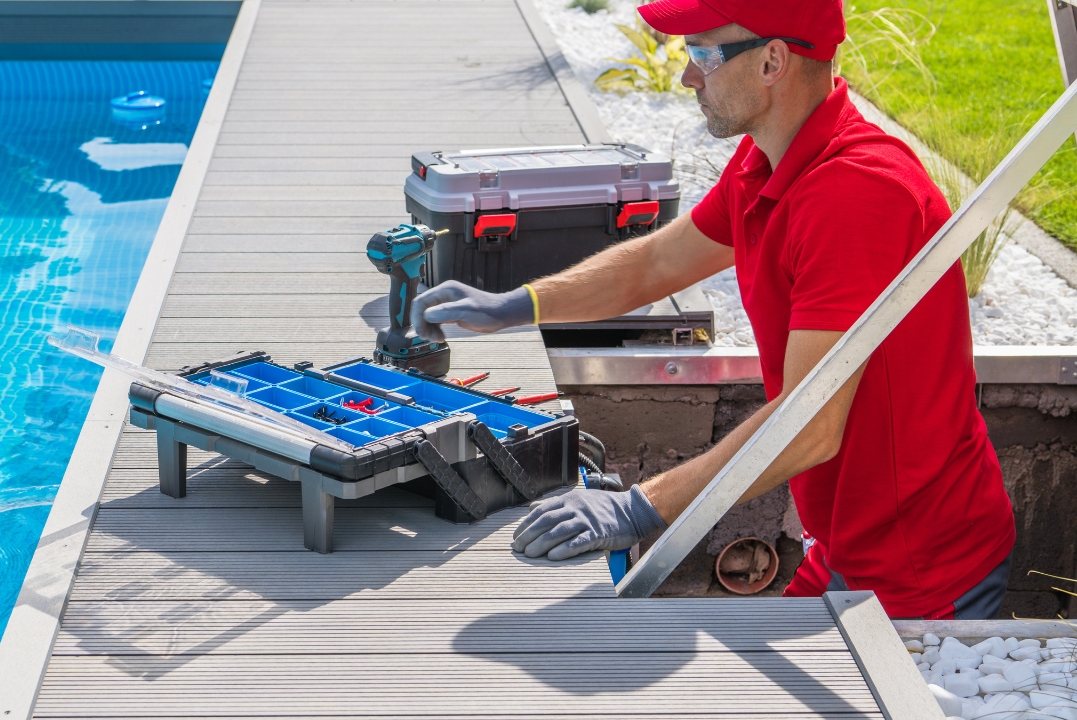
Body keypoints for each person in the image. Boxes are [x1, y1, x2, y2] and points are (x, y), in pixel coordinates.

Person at [409, 0, 1016, 619]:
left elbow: (811, 423)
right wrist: (518, 304)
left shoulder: (856, 196)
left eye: (702, 54)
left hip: (922, 573)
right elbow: (655, 265)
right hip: (843, 547)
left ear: (773, 61)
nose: (687, 77)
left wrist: (637, 508)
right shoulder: (770, 161)